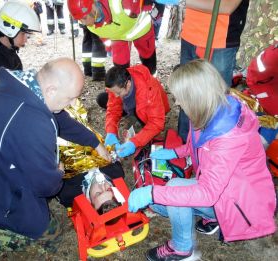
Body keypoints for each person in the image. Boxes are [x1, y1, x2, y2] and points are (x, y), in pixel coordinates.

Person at [0, 57, 112, 260]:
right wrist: (59, 172)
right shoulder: (32, 123)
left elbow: (59, 119)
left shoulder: (19, 87)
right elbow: (45, 186)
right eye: (70, 98)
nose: (73, 103)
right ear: (52, 90)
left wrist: (94, 142)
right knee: (49, 231)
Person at [128, 60, 276, 261]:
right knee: (164, 201)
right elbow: (199, 145)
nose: (177, 103)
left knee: (173, 191)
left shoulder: (228, 137)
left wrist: (152, 191)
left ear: (195, 97)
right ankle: (213, 217)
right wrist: (176, 153)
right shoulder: (211, 109)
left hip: (240, 205)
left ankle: (183, 250)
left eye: (180, 98)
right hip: (230, 191)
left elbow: (208, 193)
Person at [177, 0, 249, 142]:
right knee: (186, 94)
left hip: (220, 41)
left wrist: (182, 1)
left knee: (216, 100)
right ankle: (184, 144)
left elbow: (226, 6)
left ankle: (210, 146)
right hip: (191, 34)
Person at [67, 0, 157, 75]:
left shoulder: (119, 2)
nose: (83, 23)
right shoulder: (92, 27)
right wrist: (110, 48)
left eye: (84, 18)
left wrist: (154, 8)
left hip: (141, 29)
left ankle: (152, 84)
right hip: (119, 38)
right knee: (120, 66)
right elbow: (105, 37)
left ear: (93, 8)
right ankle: (124, 90)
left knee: (149, 60)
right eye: (79, 20)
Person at [98, 65, 169, 158]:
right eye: (113, 92)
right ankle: (132, 113)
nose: (115, 96)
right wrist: (111, 131)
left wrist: (135, 142)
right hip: (134, 105)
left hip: (154, 108)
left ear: (128, 84)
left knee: (149, 129)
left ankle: (137, 116)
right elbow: (113, 110)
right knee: (102, 98)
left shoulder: (149, 89)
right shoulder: (118, 84)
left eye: (118, 93)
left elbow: (156, 122)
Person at [57, 162, 125, 211]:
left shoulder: (69, 190)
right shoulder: (116, 171)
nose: (102, 185)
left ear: (89, 201)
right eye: (108, 189)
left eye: (98, 193)